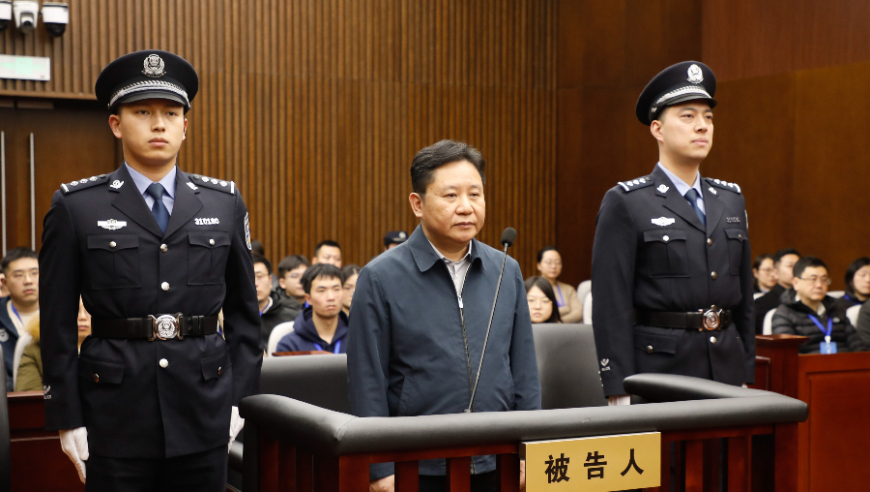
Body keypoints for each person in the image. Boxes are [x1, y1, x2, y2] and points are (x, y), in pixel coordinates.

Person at [39, 50, 262, 490]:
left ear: (185, 126)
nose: (159, 124)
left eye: (171, 113)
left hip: (204, 407)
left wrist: (241, 400)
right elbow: (58, 323)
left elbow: (244, 313)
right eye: (142, 112)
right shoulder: (76, 207)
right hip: (114, 413)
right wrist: (67, 416)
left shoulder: (224, 202)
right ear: (116, 124)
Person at [347, 140, 540, 492]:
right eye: (451, 196)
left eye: (475, 194)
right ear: (417, 204)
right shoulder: (380, 277)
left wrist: (530, 449)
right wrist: (379, 467)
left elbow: (524, 370)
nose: (466, 207)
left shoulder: (505, 269)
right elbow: (367, 379)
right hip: (417, 463)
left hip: (499, 457)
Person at [591, 61, 755, 406]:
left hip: (726, 367)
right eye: (688, 116)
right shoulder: (628, 202)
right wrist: (618, 387)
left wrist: (746, 372)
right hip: (660, 373)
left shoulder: (730, 199)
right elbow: (610, 304)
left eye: (708, 117)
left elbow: (743, 298)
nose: (702, 126)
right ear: (658, 129)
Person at [771, 257, 864, 354]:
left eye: (824, 279)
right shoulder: (784, 314)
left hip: (844, 362)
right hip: (808, 363)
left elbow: (858, 346)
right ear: (796, 283)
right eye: (813, 279)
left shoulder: (836, 308)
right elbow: (788, 354)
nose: (819, 285)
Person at [16, 298, 93, 392]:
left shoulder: (105, 348)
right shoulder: (36, 349)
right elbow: (29, 395)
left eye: (88, 311)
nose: (82, 317)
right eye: (75, 310)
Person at [276, 264, 348, 354]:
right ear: (308, 298)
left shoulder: (359, 338)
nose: (331, 297)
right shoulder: (290, 344)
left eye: (336, 289)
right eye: (321, 290)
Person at [0, 247, 40, 388]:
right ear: (5, 283)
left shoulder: (59, 315)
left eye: (34, 273)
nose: (28, 281)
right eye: (18, 275)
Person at [254, 254, 300, 345]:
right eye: (248, 277)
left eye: (259, 276)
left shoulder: (292, 317)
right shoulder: (231, 317)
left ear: (270, 280)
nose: (255, 283)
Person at [755, 248, 801, 334]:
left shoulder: (808, 299)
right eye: (790, 266)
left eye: (798, 266)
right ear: (775, 273)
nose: (796, 270)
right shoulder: (762, 304)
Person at [535, 246, 582, 322]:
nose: (554, 266)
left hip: (564, 328)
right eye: (549, 262)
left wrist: (559, 322)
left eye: (557, 263)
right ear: (539, 265)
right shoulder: (532, 287)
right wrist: (566, 309)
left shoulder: (568, 289)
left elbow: (579, 312)